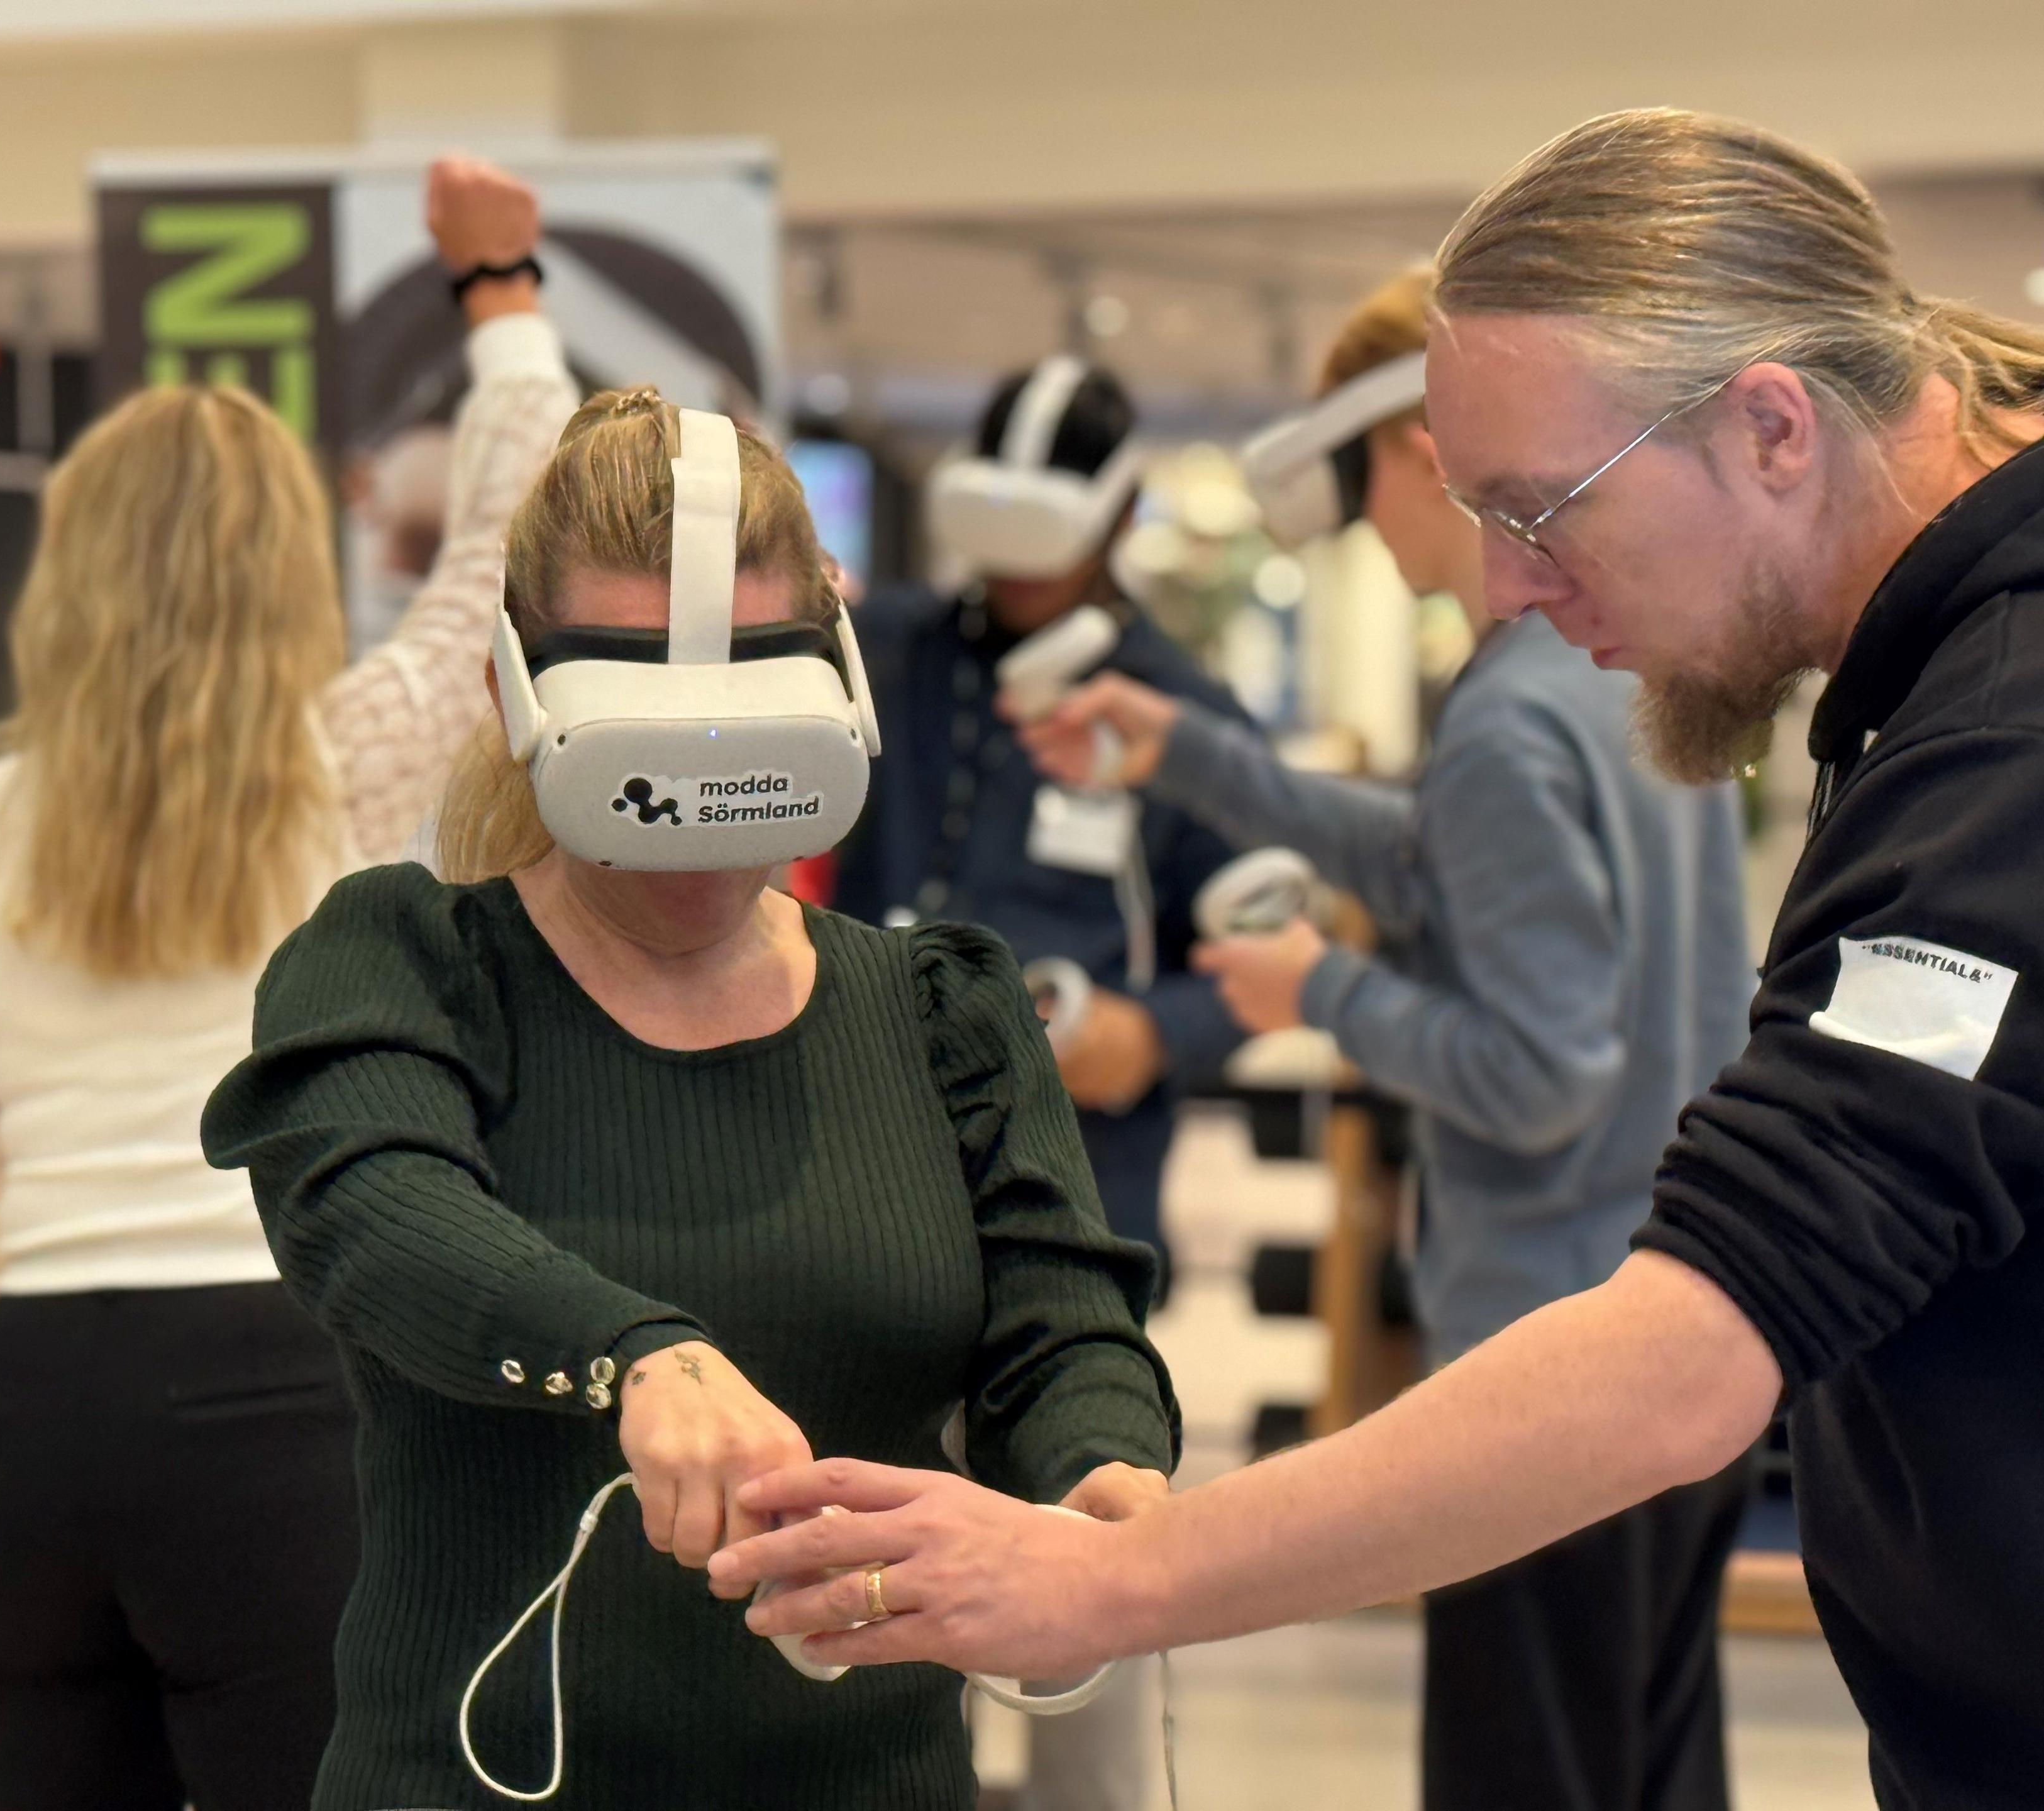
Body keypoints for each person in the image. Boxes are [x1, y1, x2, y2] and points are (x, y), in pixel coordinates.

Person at [715, 107, 2044, 1811]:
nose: (1501, 582)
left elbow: (1712, 1334)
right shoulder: (1927, 681)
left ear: (1772, 427)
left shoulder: (2001, 743)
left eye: (1539, 509)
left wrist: (1117, 1578)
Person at [199, 382, 1177, 1811]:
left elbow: (1061, 1327)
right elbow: (371, 1206)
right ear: (515, 696)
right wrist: (633, 1356)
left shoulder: (941, 1014)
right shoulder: (406, 963)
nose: (698, 811)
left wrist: (1105, 1468)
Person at [0, 158, 572, 1811]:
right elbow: (501, 561)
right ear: (287, 572)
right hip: (281, 1381)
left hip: (35, 1406)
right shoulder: (334, 771)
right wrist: (502, 299)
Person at [1023, 267, 1757, 1811]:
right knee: (1655, 1763)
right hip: (1688, 1326)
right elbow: (1445, 856)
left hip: (1541, 1371)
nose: (1370, 536)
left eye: (1363, 494)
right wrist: (1201, 762)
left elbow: (1541, 1073)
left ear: (1424, 454)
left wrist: (1321, 997)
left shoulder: (1507, 718)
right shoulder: (1625, 678)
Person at [837, 358, 1247, 1288]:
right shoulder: (887, 656)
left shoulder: (1186, 721)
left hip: (1074, 1182)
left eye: (1047, 544)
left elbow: (1268, 952)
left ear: (1120, 516)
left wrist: (1153, 1034)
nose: (1021, 577)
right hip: (865, 1159)